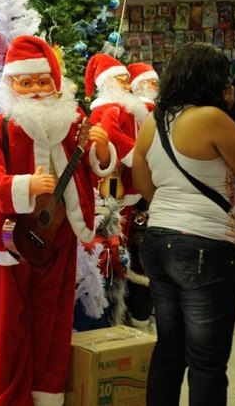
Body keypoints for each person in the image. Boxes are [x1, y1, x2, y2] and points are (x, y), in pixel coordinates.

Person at [0, 35, 116, 406]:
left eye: (43, 82)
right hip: (13, 239)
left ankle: (48, 394)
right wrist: (26, 185)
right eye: (27, 82)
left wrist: (101, 149)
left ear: (55, 85)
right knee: (12, 324)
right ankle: (12, 397)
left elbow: (92, 171)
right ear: (11, 84)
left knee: (53, 319)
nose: (36, 91)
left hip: (60, 235)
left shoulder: (72, 125)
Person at [132, 42, 235, 405]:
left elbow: (145, 185)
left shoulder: (153, 121)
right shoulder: (212, 118)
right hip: (205, 244)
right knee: (207, 362)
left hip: (158, 240)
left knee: (168, 349)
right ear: (214, 81)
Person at [87, 54, 153, 328]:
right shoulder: (109, 109)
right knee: (113, 241)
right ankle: (110, 306)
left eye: (128, 80)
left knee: (121, 240)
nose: (127, 86)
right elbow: (112, 137)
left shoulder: (127, 109)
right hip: (114, 186)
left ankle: (122, 306)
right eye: (121, 80)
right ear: (106, 82)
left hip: (128, 186)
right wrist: (138, 155)